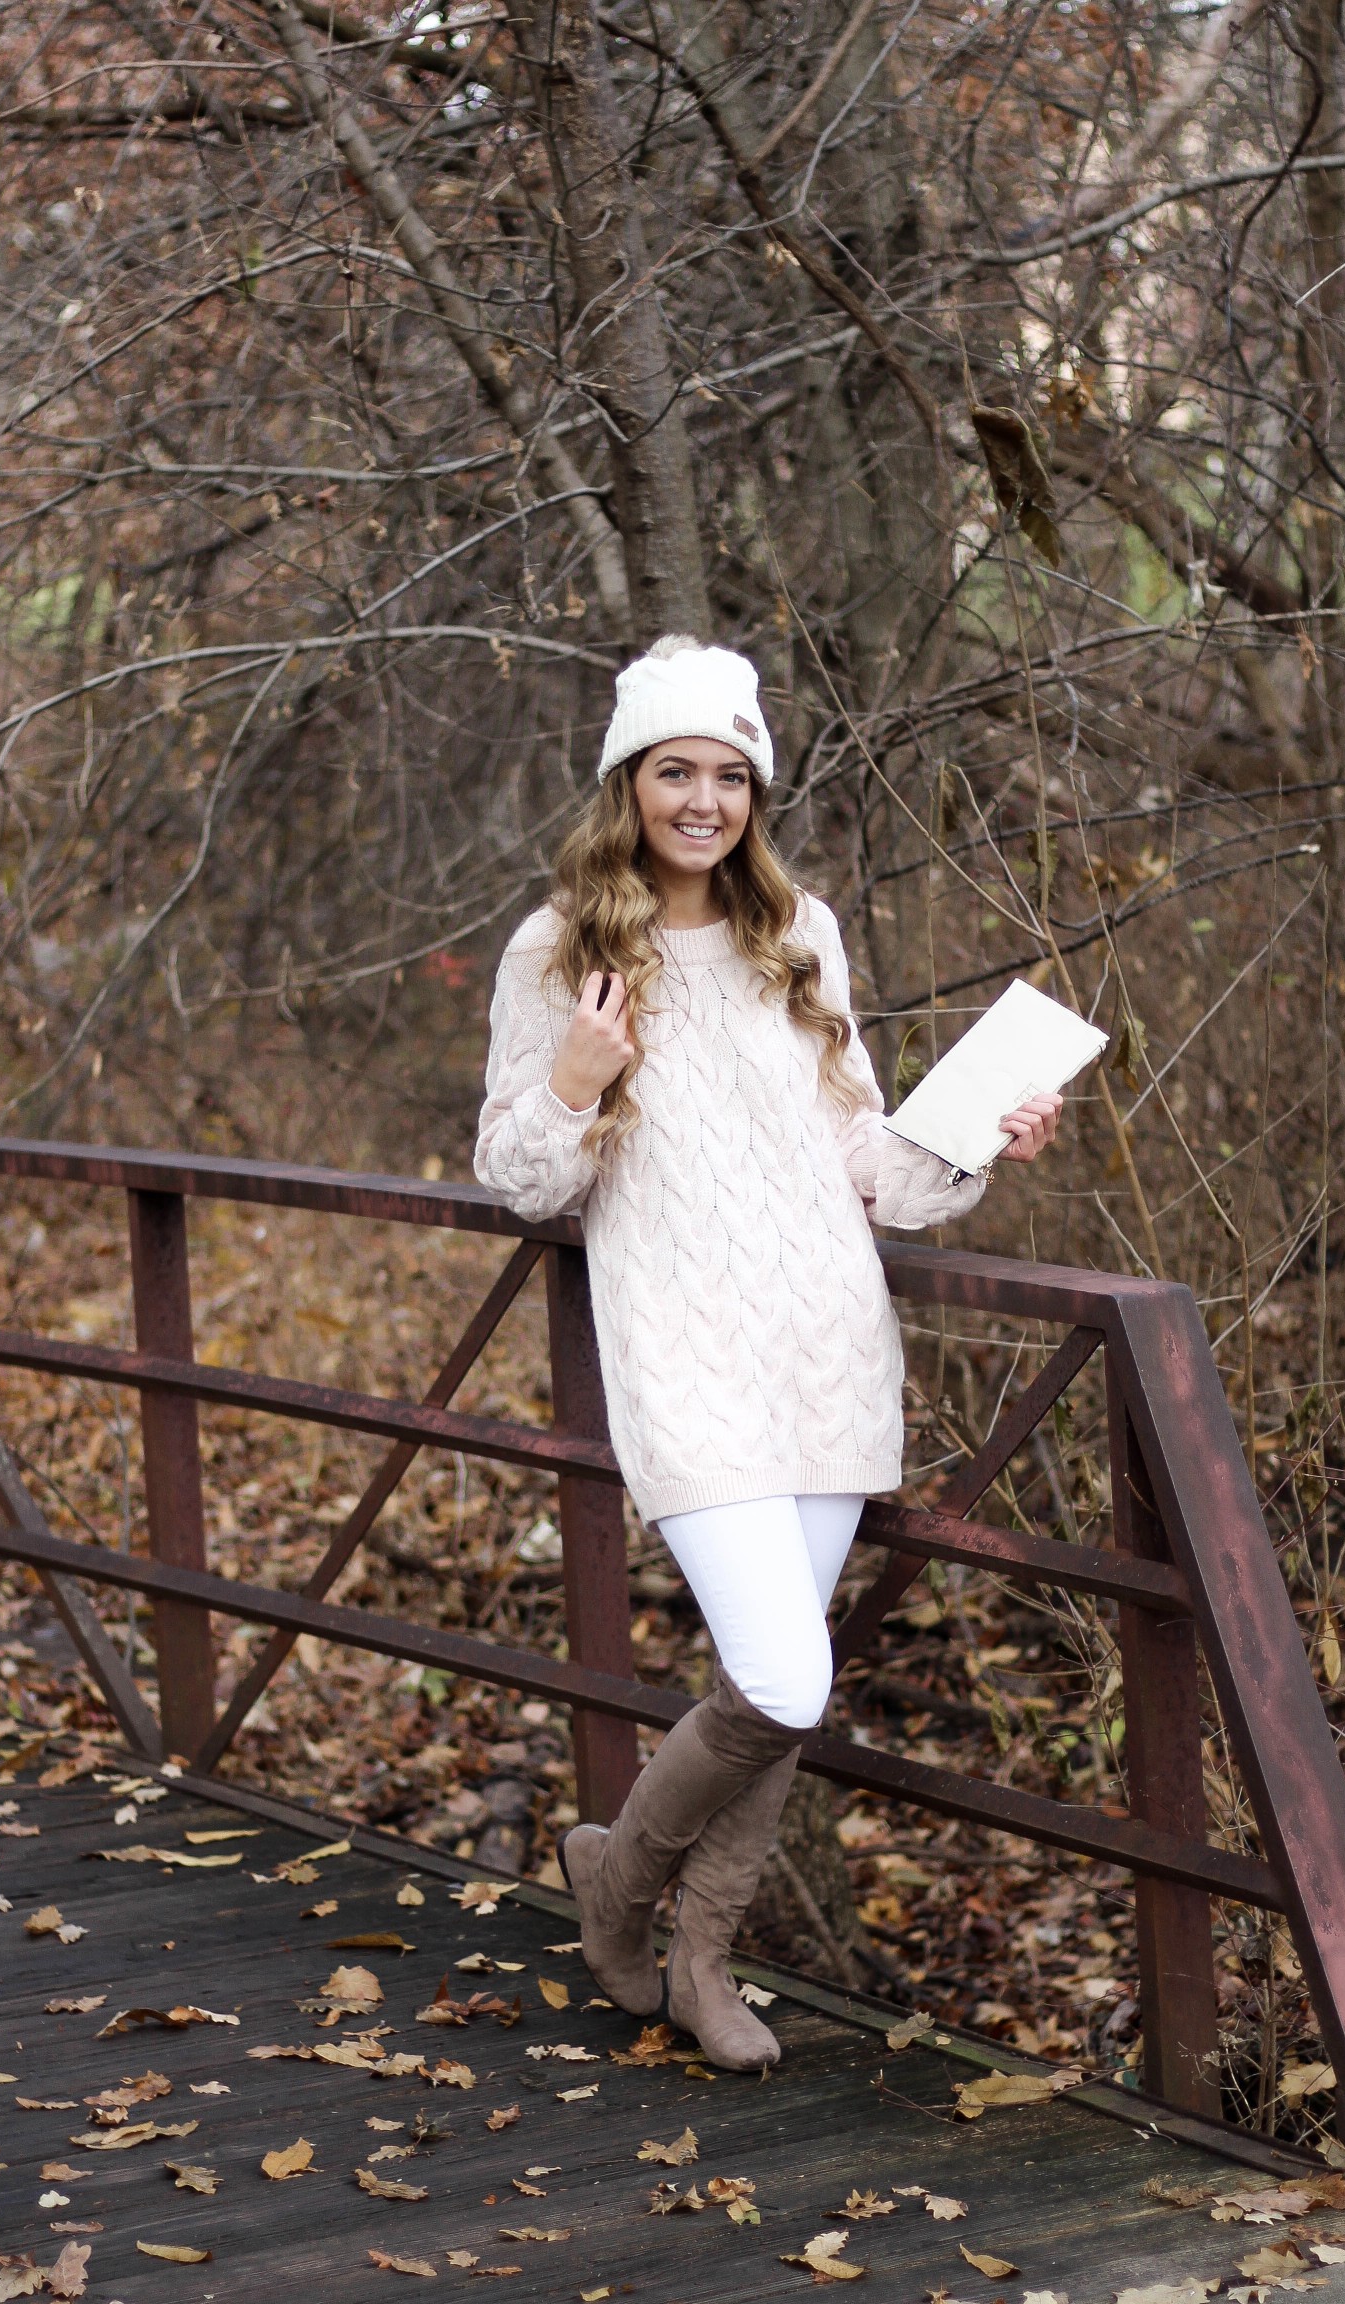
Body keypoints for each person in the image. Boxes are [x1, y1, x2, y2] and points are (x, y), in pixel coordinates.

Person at [474, 636, 1062, 2070]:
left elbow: (858, 1153)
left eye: (730, 776)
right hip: (684, 1355)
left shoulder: (801, 931)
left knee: (774, 1679)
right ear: (631, 783)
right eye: (678, 771)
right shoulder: (559, 949)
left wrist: (976, 1142)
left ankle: (695, 1956)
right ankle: (618, 1902)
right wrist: (575, 1077)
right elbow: (516, 1172)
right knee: (786, 1684)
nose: (704, 800)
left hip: (826, 1342)